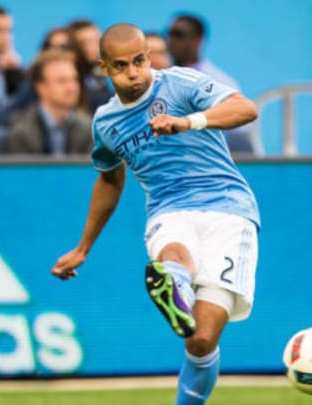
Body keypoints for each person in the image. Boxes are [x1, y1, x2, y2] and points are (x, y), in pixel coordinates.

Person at [50, 23, 259, 404]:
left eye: (139, 61)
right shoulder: (107, 122)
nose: (133, 73)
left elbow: (246, 108)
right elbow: (110, 181)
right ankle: (173, 283)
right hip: (169, 209)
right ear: (104, 68)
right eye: (121, 66)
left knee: (201, 339)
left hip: (228, 209)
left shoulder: (180, 84)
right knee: (173, 256)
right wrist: (83, 248)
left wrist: (188, 122)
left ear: (148, 56)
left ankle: (177, 296)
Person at [167, 14, 255, 154]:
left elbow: (240, 133)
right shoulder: (162, 77)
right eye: (169, 34)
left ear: (198, 40)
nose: (171, 41)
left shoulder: (217, 81)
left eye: (179, 35)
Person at [2, 51, 92, 155]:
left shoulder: (89, 129)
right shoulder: (20, 133)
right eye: (62, 81)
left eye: (74, 79)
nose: (71, 87)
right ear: (41, 87)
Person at [67, 19, 114, 113]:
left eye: (96, 40)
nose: (92, 48)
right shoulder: (72, 76)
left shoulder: (99, 73)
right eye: (84, 43)